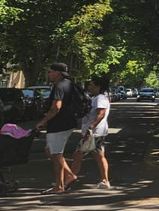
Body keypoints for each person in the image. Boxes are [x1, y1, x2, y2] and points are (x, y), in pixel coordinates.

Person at [36, 62, 78, 194]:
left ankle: (59, 186)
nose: (48, 74)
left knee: (56, 154)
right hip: (68, 123)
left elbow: (56, 107)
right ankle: (69, 175)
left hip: (59, 125)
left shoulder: (59, 86)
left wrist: (43, 121)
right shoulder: (70, 84)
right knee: (50, 152)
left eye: (50, 72)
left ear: (57, 73)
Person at [70, 76, 111, 188]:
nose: (89, 87)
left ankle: (68, 179)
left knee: (78, 155)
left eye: (92, 85)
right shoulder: (98, 97)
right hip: (97, 132)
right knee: (98, 156)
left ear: (98, 87)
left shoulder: (100, 98)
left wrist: (91, 127)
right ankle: (104, 180)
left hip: (94, 133)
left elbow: (101, 113)